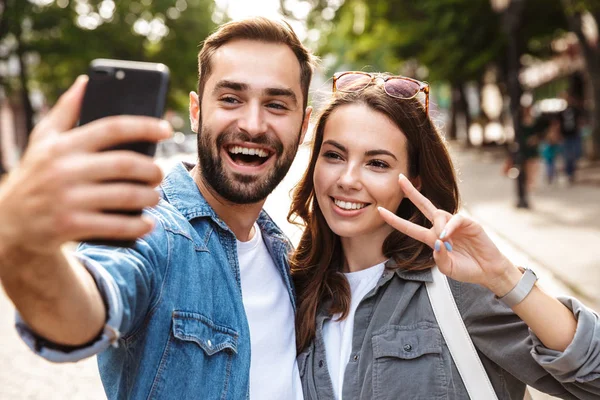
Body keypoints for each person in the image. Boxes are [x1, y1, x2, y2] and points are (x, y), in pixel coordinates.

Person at [0, 18, 314, 399]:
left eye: (277, 104)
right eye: (231, 99)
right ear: (196, 112)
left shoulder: (282, 252)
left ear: (303, 125)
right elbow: (83, 310)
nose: (252, 124)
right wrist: (20, 247)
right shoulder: (151, 230)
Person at [288, 71, 600, 399]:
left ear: (415, 179)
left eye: (377, 163)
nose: (348, 179)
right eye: (334, 155)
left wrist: (504, 277)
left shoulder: (457, 286)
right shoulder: (296, 289)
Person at [560, 92, 584, 184]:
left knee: (575, 154)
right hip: (566, 136)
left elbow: (580, 121)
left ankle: (572, 172)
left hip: (575, 135)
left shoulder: (576, 110)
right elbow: (558, 124)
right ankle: (569, 173)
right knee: (567, 156)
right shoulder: (562, 112)